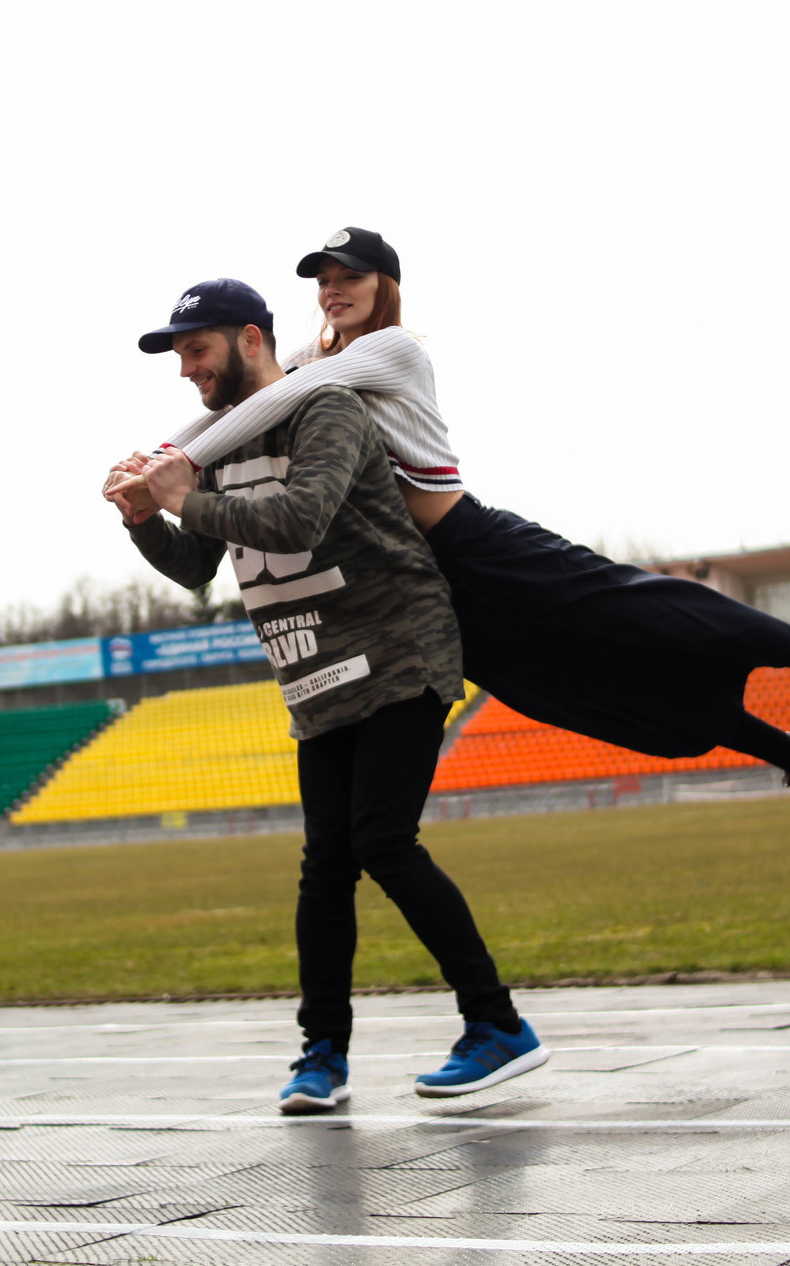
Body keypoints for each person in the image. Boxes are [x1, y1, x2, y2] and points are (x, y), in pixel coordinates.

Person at [108, 229, 790, 819]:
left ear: (385, 284)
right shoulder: (309, 366)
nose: (333, 289)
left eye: (350, 274)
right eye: (323, 279)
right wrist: (152, 465)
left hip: (478, 544)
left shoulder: (390, 350)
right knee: (590, 692)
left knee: (651, 613)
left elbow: (275, 396)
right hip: (427, 588)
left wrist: (165, 470)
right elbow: (247, 406)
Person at [111, 276, 548, 1114]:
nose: (184, 371)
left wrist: (180, 491)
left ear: (248, 339)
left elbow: (303, 517)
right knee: (324, 868)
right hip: (315, 674)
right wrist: (145, 518)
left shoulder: (326, 407)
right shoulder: (216, 443)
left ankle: (498, 1025)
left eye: (194, 350)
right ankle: (323, 1054)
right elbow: (199, 569)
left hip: (394, 648)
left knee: (382, 841)